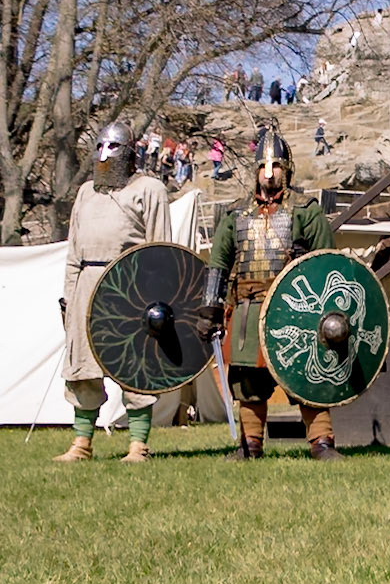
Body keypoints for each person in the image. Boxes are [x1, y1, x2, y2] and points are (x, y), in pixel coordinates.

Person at [197, 126, 339, 460]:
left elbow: (329, 265)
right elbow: (219, 261)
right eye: (263, 166)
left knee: (306, 373)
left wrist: (307, 260)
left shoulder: (307, 211)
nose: (269, 173)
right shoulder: (235, 214)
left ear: (287, 169)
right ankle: (250, 444)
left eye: (275, 166)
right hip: (247, 307)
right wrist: (211, 308)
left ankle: (321, 443)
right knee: (248, 381)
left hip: (296, 309)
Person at [54, 121, 172, 464]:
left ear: (130, 153)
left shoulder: (149, 189)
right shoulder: (86, 192)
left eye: (114, 147)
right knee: (83, 368)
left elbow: (160, 249)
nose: (105, 155)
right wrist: (70, 299)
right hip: (87, 286)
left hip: (128, 289)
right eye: (100, 147)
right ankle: (82, 444)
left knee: (133, 366)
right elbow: (74, 254)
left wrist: (154, 299)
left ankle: (138, 445)